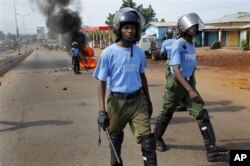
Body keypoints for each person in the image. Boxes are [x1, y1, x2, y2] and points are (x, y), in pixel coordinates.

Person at [154, 13, 229, 162]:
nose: (193, 29)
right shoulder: (178, 43)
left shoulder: (191, 43)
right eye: (190, 26)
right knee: (167, 112)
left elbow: (191, 65)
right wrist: (190, 90)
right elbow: (175, 70)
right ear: (183, 28)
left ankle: (212, 150)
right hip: (176, 85)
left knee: (202, 113)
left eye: (195, 26)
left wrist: (192, 82)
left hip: (188, 82)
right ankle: (156, 139)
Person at [93, 7, 157, 166]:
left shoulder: (140, 52)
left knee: (148, 142)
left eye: (133, 28)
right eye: (126, 27)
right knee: (115, 140)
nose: (130, 31)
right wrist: (102, 111)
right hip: (116, 103)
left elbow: (142, 77)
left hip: (137, 101)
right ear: (119, 29)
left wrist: (148, 101)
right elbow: (101, 82)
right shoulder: (108, 53)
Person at [160, 29, 187, 112]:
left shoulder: (165, 43)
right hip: (180, 63)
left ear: (167, 34)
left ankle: (173, 102)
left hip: (169, 62)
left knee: (170, 82)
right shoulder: (179, 41)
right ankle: (184, 102)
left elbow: (161, 54)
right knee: (181, 81)